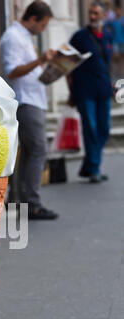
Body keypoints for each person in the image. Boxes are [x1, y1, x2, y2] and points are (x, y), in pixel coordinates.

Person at [0, 1, 59, 220]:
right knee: (38, 150)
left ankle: (19, 199)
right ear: (32, 18)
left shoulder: (24, 37)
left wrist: (50, 68)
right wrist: (40, 60)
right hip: (26, 101)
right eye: (42, 25)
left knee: (29, 151)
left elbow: (30, 69)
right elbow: (12, 71)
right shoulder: (13, 37)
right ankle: (32, 203)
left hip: (34, 99)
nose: (43, 30)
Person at [68, 1, 113, 183]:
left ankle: (89, 166)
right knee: (91, 128)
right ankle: (94, 168)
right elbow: (65, 65)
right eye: (90, 13)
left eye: (96, 13)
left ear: (104, 15)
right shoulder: (79, 37)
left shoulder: (108, 36)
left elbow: (107, 63)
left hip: (103, 89)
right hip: (84, 91)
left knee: (104, 128)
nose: (93, 16)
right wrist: (71, 91)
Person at [108, 7, 124, 79]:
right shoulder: (112, 21)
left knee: (122, 56)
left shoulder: (122, 20)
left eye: (119, 11)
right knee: (116, 56)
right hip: (115, 41)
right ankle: (116, 69)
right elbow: (106, 26)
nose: (118, 13)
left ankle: (120, 70)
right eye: (116, 11)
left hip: (122, 40)